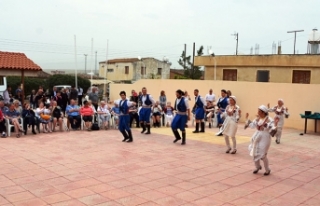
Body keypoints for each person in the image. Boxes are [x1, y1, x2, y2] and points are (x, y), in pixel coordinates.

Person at [245, 105, 278, 176]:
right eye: (258, 111)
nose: (258, 112)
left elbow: (272, 127)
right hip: (256, 136)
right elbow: (252, 125)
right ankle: (257, 167)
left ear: (264, 112)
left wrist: (275, 124)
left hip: (265, 138)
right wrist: (247, 119)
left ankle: (267, 169)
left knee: (263, 155)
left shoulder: (269, 119)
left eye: (259, 111)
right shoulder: (258, 119)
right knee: (254, 152)